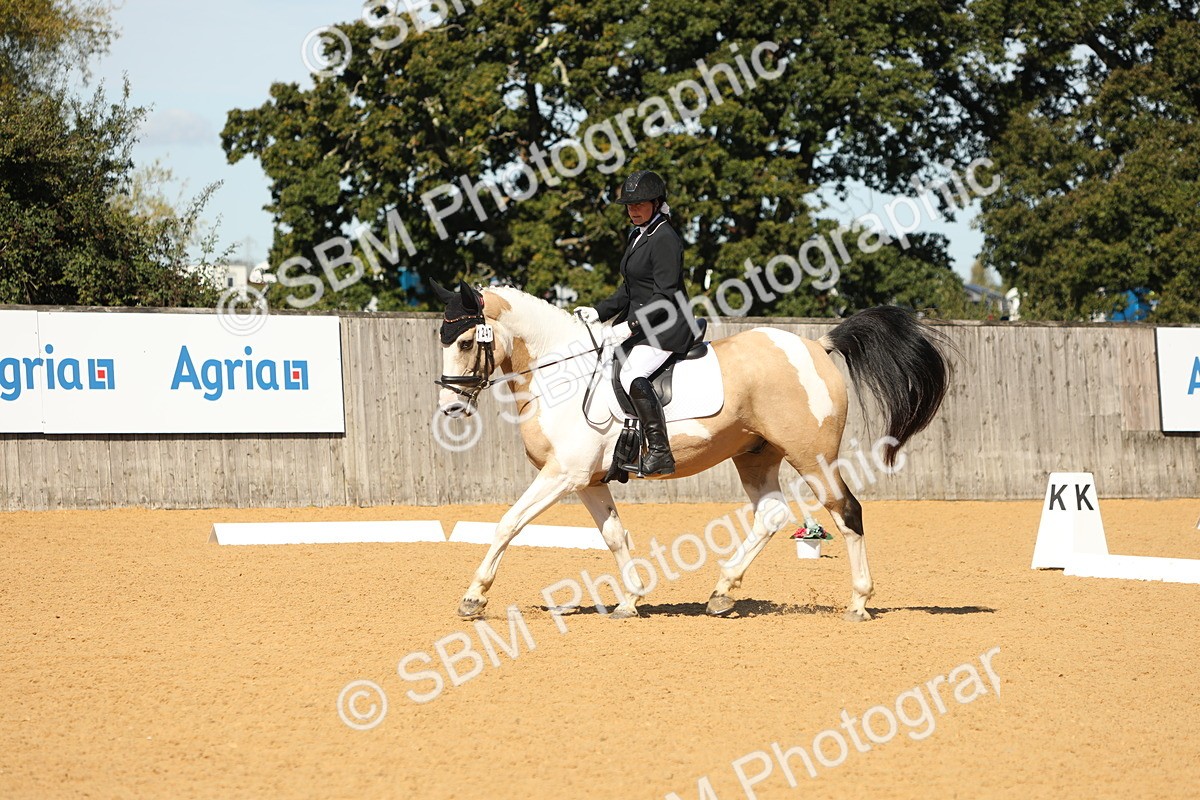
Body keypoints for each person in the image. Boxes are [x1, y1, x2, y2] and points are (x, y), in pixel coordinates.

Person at [574, 169, 697, 476]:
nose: (633, 209)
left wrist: (629, 327)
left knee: (632, 374)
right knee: (605, 367)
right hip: (644, 325)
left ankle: (659, 451)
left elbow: (665, 295)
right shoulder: (638, 236)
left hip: (668, 327)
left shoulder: (666, 239)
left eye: (640, 203)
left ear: (657, 203)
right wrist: (598, 312)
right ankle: (623, 449)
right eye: (629, 204)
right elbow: (629, 291)